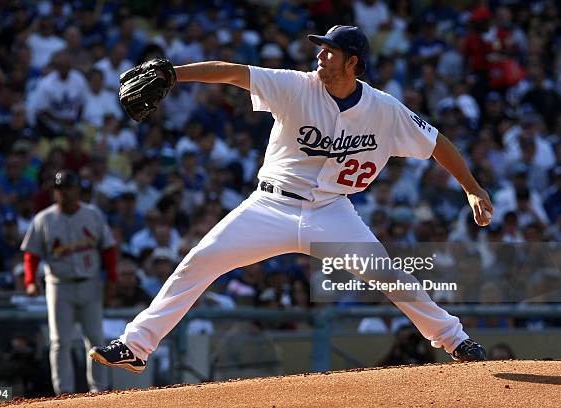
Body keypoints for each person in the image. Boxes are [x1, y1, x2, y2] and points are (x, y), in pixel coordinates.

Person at [90, 25, 492, 373]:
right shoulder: (297, 85)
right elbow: (233, 73)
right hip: (269, 207)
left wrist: (472, 188)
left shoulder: (384, 109)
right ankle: (136, 346)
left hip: (332, 211)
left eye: (330, 50)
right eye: (321, 48)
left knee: (388, 274)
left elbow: (437, 143)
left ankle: (454, 339)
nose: (320, 54)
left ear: (352, 62)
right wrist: (175, 74)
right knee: (199, 261)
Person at [20, 170, 118, 395]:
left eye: (68, 187)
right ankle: (64, 393)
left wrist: (111, 279)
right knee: (59, 341)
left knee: (95, 339)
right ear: (55, 191)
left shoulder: (92, 215)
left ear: (78, 190)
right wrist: (30, 281)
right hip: (58, 285)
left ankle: (99, 390)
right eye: (60, 188)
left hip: (89, 283)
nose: (64, 192)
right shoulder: (44, 219)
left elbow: (108, 249)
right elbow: (31, 255)